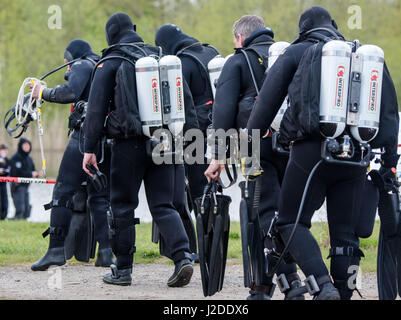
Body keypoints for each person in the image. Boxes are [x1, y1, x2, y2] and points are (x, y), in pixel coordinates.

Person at [246, 6, 399, 300]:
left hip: (310, 154)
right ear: (334, 26)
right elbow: (390, 116)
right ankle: (341, 293)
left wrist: (250, 151)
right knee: (345, 235)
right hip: (356, 156)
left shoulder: (297, 51)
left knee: (290, 223)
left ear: (303, 29)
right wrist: (389, 166)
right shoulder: (364, 59)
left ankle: (322, 284)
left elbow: (264, 106)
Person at [82, 12, 194, 287]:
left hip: (128, 143)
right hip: (165, 139)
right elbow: (185, 101)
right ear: (133, 30)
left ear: (111, 33)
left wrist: (89, 148)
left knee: (121, 205)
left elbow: (95, 111)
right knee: (163, 204)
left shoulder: (110, 61)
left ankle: (123, 270)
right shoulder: (159, 57)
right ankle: (183, 257)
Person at [204, 15, 301, 300]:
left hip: (257, 149)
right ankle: (262, 286)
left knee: (264, 214)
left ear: (240, 38)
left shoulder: (237, 61)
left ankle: (289, 282)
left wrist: (217, 158)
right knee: (284, 214)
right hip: (294, 147)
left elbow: (221, 114)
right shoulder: (288, 56)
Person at [31, 39, 114, 271]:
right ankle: (106, 252)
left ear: (73, 56)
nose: (68, 68)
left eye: (67, 63)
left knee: (62, 190)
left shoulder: (82, 64)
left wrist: (42, 92)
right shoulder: (102, 65)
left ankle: (56, 250)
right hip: (107, 139)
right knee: (99, 197)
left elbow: (70, 92)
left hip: (84, 139)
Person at [155, 24, 220, 205]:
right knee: (214, 178)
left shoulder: (182, 62)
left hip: (196, 131)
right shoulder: (211, 52)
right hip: (219, 125)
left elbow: (178, 103)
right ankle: (216, 228)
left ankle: (200, 230)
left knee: (198, 186)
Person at [9, 138, 42, 220]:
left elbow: (33, 171)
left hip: (26, 187)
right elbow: (16, 173)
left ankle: (22, 224)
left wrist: (38, 174)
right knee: (20, 209)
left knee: (27, 211)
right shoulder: (15, 158)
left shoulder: (29, 159)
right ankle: (15, 223)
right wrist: (31, 174)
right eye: (25, 145)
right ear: (21, 146)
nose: (27, 147)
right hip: (17, 186)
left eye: (28, 145)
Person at [0, 144, 10, 220]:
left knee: (5, 200)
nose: (5, 153)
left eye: (6, 151)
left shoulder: (7, 160)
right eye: (3, 151)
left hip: (4, 183)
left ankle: (4, 216)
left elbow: (10, 170)